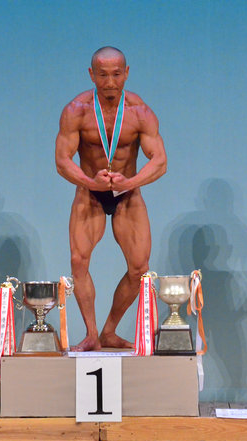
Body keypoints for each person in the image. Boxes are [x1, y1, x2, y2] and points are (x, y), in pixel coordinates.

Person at [55, 46, 167, 351]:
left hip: (127, 193)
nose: (110, 82)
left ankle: (109, 331)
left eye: (116, 74)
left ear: (126, 73)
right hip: (89, 191)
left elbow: (160, 161)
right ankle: (92, 334)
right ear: (91, 74)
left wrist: (130, 181)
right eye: (102, 75)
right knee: (78, 261)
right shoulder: (76, 110)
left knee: (139, 267)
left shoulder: (140, 112)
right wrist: (89, 181)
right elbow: (62, 161)